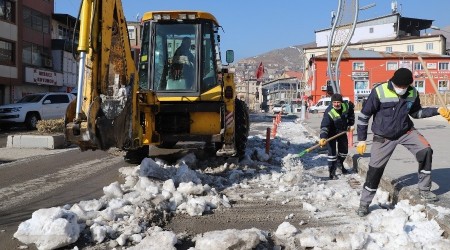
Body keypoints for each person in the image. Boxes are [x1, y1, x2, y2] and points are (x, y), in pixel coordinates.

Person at [355, 68, 450, 217]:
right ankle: (364, 204)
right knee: (375, 170)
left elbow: (416, 113)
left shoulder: (412, 93)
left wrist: (436, 110)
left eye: (405, 87)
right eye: (399, 86)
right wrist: (361, 139)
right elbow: (364, 115)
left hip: (405, 132)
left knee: (425, 150)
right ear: (393, 81)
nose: (402, 89)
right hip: (383, 136)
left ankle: (424, 189)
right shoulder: (379, 91)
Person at [318, 93, 355, 179]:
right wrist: (323, 137)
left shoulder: (346, 106)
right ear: (332, 103)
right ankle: (332, 173)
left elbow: (351, 113)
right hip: (331, 133)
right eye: (334, 102)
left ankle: (340, 163)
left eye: (338, 102)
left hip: (342, 132)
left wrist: (350, 124)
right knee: (332, 154)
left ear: (341, 102)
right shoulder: (329, 112)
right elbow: (325, 125)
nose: (336, 104)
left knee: (344, 151)